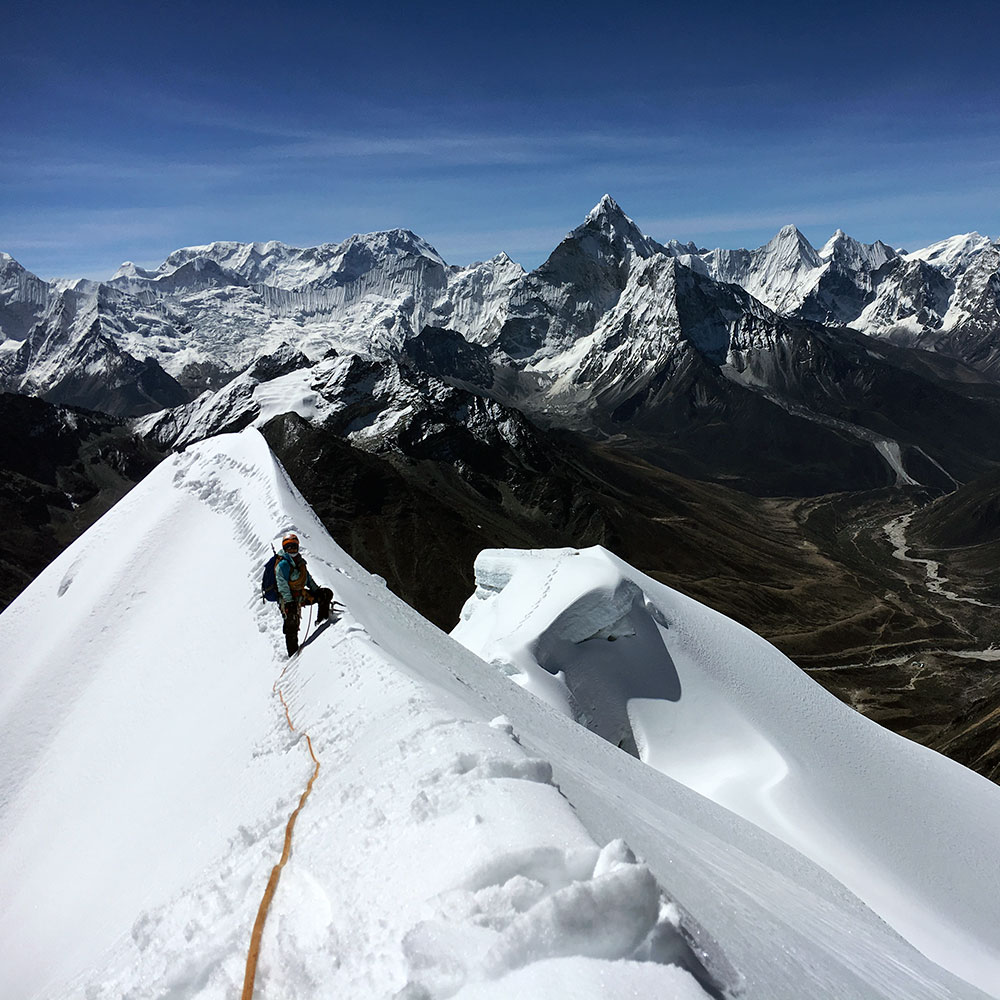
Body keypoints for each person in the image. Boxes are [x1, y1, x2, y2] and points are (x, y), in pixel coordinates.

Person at [276, 532, 333, 655]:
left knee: (326, 594)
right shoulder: (283, 565)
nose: (291, 549)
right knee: (291, 623)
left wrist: (316, 591)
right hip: (288, 600)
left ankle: (322, 620)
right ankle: (293, 653)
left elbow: (307, 579)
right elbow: (282, 585)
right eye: (289, 547)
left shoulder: (300, 562)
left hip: (300, 596)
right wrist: (289, 601)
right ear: (285, 549)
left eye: (293, 546)